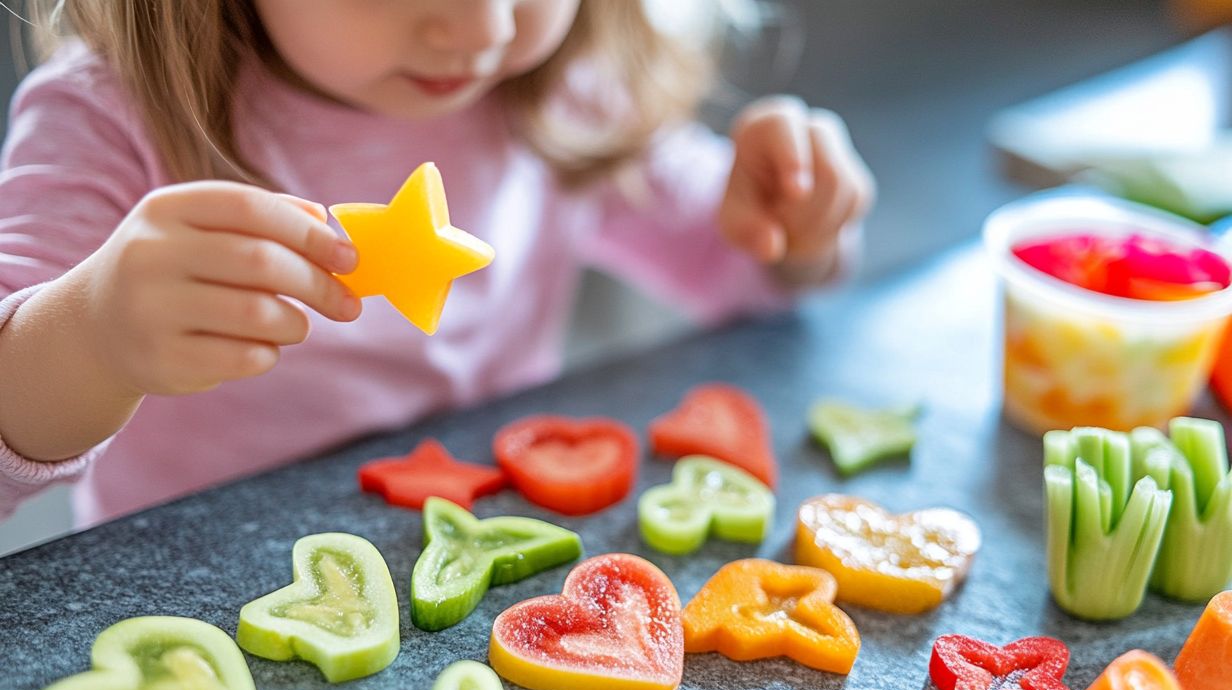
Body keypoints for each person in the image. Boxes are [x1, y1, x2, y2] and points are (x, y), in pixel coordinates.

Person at [0, 0, 873, 528]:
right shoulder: (108, 121)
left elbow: (741, 274)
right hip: (195, 603)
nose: (481, 30)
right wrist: (92, 337)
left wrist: (794, 220)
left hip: (487, 549)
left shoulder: (561, 86)